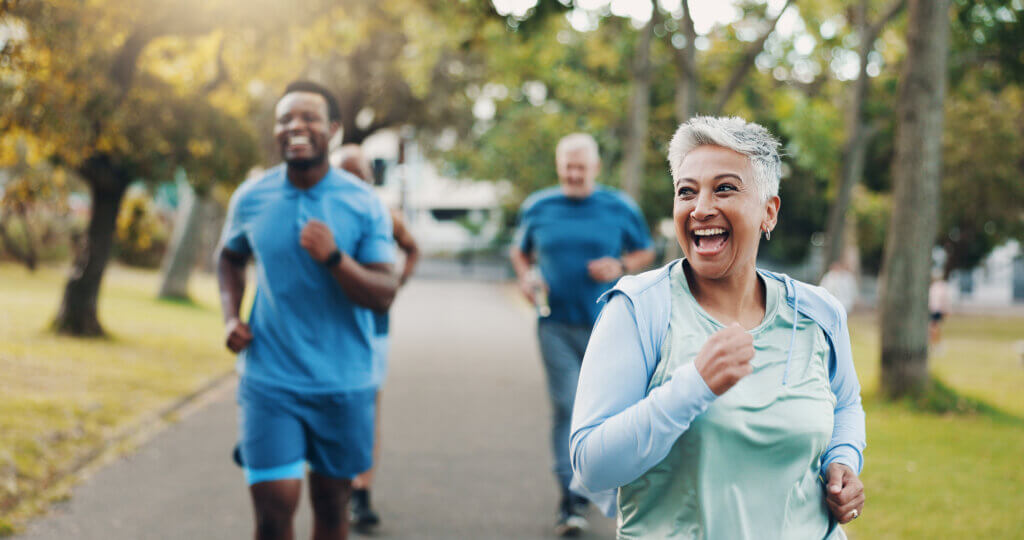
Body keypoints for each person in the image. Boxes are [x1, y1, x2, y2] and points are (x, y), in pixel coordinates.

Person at [569, 116, 867, 539]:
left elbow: (846, 405)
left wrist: (843, 459)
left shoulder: (819, 313)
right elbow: (592, 466)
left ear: (769, 211)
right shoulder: (640, 309)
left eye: (724, 188)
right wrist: (693, 386)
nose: (701, 207)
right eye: (686, 191)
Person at [217, 81, 398, 540]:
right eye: (285, 120)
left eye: (309, 118)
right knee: (275, 511)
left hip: (344, 382)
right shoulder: (251, 198)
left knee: (331, 508)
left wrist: (336, 259)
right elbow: (230, 256)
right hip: (270, 379)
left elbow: (383, 291)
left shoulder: (363, 204)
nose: (296, 127)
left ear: (333, 129)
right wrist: (230, 315)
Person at [509, 133, 656, 536]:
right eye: (567, 167)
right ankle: (571, 497)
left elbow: (645, 251)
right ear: (559, 167)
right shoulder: (538, 206)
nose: (574, 174)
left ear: (595, 168)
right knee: (567, 404)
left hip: (608, 326)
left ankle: (607, 482)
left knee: (612, 407)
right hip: (553, 323)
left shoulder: (619, 206)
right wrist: (526, 276)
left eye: (581, 167)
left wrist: (620, 264)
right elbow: (520, 250)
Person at [330, 144, 420, 531]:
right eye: (344, 174)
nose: (353, 182)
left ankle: (361, 491)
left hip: (373, 329)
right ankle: (335, 485)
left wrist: (396, 283)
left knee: (365, 408)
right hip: (328, 326)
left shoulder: (383, 212)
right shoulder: (324, 211)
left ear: (370, 178)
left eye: (359, 175)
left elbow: (412, 248)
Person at [929, 272, 952, 347]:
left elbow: (944, 299)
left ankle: (935, 342)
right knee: (934, 327)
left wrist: (946, 309)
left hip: (936, 309)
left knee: (934, 326)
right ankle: (934, 342)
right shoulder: (935, 287)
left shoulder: (939, 287)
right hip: (934, 309)